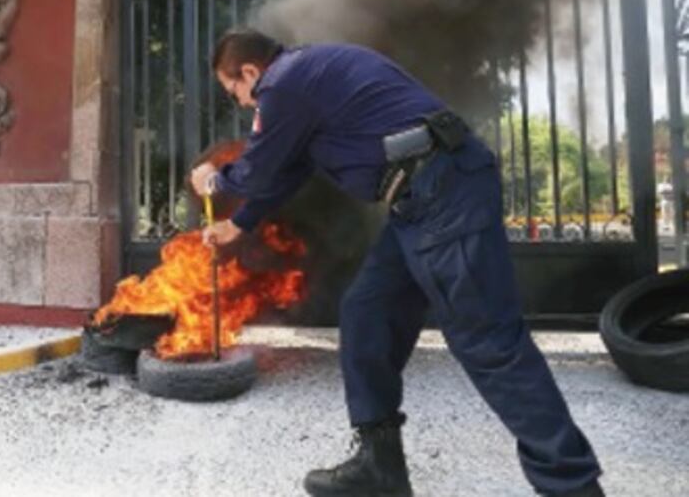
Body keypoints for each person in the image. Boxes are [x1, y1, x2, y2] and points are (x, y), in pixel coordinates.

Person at [189, 29, 603, 497]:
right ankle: (379, 468)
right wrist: (239, 225)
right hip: (420, 203)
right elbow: (290, 169)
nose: (243, 103)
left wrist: (215, 180)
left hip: (442, 195)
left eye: (235, 92)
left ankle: (573, 486)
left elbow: (259, 167)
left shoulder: (281, 83)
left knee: (489, 342)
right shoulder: (305, 74)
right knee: (367, 314)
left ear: (249, 72)